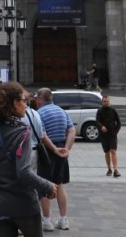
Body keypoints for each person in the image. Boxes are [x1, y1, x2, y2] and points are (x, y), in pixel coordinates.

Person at [0, 82, 57, 237]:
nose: (25, 105)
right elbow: (23, 172)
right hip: (24, 205)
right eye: (23, 100)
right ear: (15, 103)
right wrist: (47, 186)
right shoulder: (21, 133)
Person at [35, 88, 75, 232]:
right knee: (60, 184)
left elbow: (43, 134)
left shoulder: (39, 113)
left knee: (45, 185)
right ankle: (63, 220)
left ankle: (46, 221)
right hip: (62, 150)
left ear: (41, 99)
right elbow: (72, 131)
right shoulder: (61, 111)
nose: (35, 101)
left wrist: (53, 149)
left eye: (36, 98)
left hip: (48, 151)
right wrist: (66, 148)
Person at [96, 95, 121, 177]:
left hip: (112, 135)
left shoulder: (113, 110)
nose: (106, 103)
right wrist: (101, 127)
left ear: (109, 102)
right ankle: (109, 169)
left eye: (107, 101)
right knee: (107, 152)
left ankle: (116, 170)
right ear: (102, 102)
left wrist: (116, 132)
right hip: (104, 136)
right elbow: (97, 121)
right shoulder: (100, 111)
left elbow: (119, 123)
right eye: (104, 101)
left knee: (113, 151)